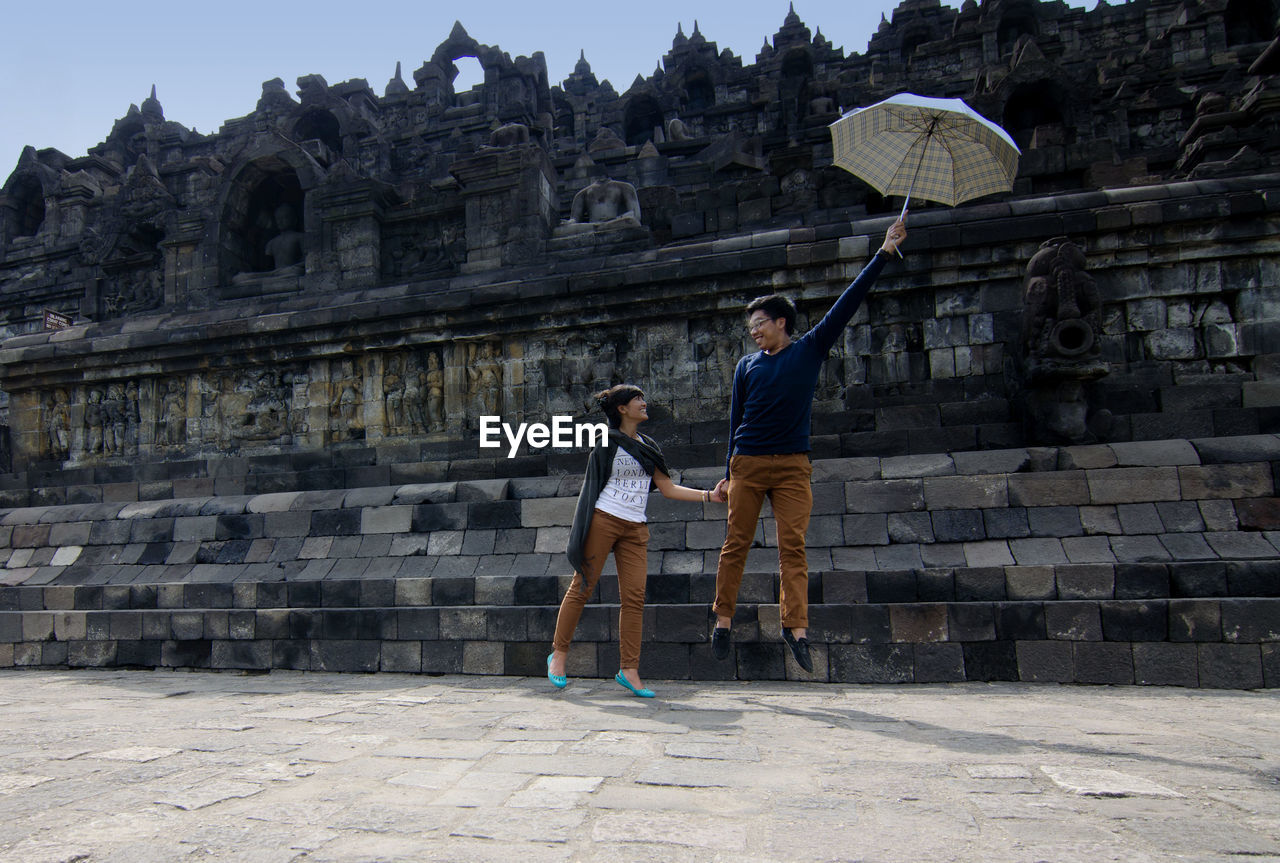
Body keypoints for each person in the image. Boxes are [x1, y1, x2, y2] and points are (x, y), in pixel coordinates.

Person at [711, 217, 908, 673]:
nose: (754, 332)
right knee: (735, 543)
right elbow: (735, 419)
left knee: (792, 546)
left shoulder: (809, 350)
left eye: (760, 324)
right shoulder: (746, 366)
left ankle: (795, 629)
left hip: (794, 466)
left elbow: (847, 303)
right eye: (751, 327)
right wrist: (729, 469)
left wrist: (883, 252)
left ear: (782, 322)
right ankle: (722, 620)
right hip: (748, 462)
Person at [549, 384, 725, 697]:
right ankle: (559, 655)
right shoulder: (606, 443)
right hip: (603, 521)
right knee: (583, 586)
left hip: (635, 528)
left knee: (635, 597)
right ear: (622, 409)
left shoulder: (648, 445)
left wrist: (711, 496)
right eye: (637, 399)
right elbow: (590, 490)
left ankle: (629, 669)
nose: (644, 403)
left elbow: (668, 488)